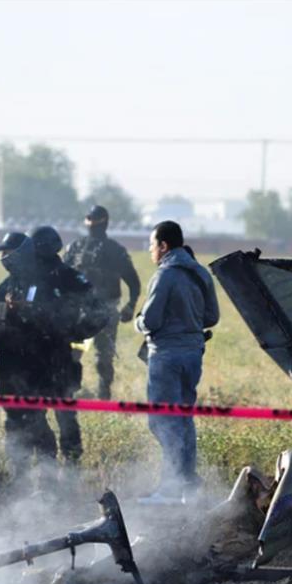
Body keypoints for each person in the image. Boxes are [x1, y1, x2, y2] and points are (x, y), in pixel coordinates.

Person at [0, 228, 107, 483]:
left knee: (62, 415)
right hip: (16, 365)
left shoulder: (65, 277)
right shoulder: (16, 279)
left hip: (54, 361)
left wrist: (75, 333)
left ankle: (67, 473)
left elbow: (100, 312)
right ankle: (22, 479)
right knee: (21, 421)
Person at [136, 221, 219, 505]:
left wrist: (138, 322)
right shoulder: (200, 273)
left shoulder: (165, 275)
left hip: (166, 357)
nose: (150, 251)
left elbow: (150, 321)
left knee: (163, 421)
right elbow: (212, 317)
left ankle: (170, 489)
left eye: (151, 245)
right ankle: (188, 486)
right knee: (184, 419)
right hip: (193, 355)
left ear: (164, 246)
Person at [62, 205, 141, 400]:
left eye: (94, 218)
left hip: (106, 311)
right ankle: (67, 393)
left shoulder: (116, 251)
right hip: (79, 312)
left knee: (104, 357)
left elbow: (134, 282)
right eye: (88, 218)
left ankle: (104, 396)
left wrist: (130, 305)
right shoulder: (74, 248)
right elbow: (61, 278)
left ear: (104, 221)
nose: (90, 223)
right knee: (73, 354)